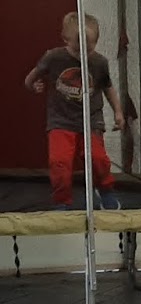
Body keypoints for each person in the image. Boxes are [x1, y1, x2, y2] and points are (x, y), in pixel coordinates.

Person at [23, 12, 125, 210]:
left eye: (90, 47)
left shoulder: (99, 62)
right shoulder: (54, 57)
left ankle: (105, 190)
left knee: (98, 158)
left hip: (91, 120)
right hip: (61, 121)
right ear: (66, 39)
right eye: (79, 47)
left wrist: (118, 112)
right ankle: (62, 201)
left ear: (96, 42)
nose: (84, 53)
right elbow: (30, 79)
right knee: (59, 162)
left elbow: (108, 88)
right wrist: (33, 85)